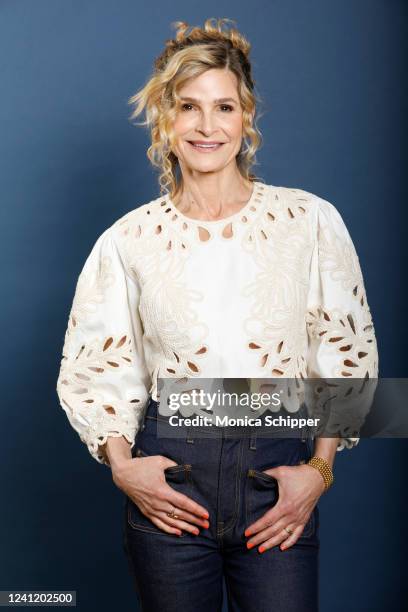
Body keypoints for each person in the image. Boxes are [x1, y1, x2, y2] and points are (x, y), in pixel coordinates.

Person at [56, 17, 379, 612]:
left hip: (278, 476)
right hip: (172, 481)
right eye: (188, 107)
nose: (207, 126)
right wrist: (123, 467)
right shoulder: (128, 240)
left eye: (224, 107)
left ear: (246, 116)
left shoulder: (308, 221)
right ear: (164, 120)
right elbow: (95, 368)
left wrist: (319, 471)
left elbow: (346, 352)